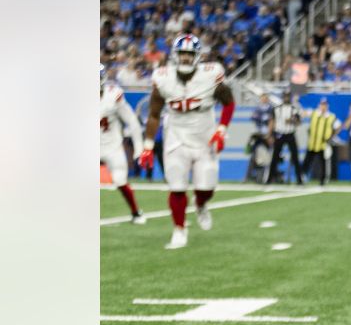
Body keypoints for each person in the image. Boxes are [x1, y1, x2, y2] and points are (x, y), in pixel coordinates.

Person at [136, 34, 235, 249]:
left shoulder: (211, 74)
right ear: (175, 55)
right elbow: (154, 115)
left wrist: (222, 129)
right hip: (176, 136)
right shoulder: (163, 77)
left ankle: (200, 204)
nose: (186, 59)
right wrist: (148, 147)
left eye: (190, 54)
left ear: (197, 56)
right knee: (177, 186)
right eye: (182, 54)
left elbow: (228, 103)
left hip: (205, 136)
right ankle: (179, 230)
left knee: (206, 187)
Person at [99, 64, 145, 224]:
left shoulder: (113, 96)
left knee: (120, 180)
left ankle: (136, 212)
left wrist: (139, 148)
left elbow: (131, 121)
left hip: (112, 146)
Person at [268, 91, 304, 185]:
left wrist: (293, 120)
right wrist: (270, 135)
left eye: (288, 96)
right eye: (285, 96)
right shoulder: (277, 109)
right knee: (275, 157)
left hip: (290, 134)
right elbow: (272, 121)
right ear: (283, 97)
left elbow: (299, 122)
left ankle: (299, 180)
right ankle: (269, 179)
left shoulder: (294, 109)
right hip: (279, 134)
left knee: (295, 157)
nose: (286, 98)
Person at [301, 97, 338, 185]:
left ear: (327, 106)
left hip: (323, 144)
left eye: (324, 105)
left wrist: (331, 137)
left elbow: (338, 126)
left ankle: (323, 180)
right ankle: (302, 177)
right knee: (307, 162)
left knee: (323, 164)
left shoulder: (331, 116)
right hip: (312, 143)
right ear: (319, 105)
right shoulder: (314, 113)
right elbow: (303, 113)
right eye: (322, 105)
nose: (323, 107)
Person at [246, 92, 274, 183]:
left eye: (265, 98)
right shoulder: (257, 109)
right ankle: (249, 176)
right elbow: (254, 121)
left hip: (267, 136)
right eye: (262, 98)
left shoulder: (271, 109)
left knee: (266, 157)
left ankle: (264, 177)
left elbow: (272, 122)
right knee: (254, 156)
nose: (264, 99)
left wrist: (270, 135)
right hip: (259, 135)